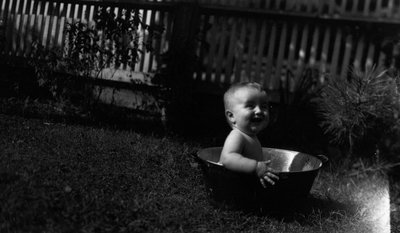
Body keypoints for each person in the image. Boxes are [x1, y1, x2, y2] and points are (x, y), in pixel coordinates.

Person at [219, 82, 279, 188]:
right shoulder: (237, 136)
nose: (259, 111)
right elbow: (227, 158)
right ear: (231, 116)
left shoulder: (250, 137)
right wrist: (255, 166)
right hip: (231, 185)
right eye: (250, 106)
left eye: (264, 106)